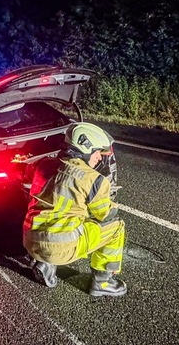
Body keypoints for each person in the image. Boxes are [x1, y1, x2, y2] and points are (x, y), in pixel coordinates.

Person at [23, 122, 127, 296]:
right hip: (60, 247)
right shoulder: (93, 179)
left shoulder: (43, 164)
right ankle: (102, 283)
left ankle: (45, 263)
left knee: (56, 216)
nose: (99, 157)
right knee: (116, 227)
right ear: (85, 148)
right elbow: (106, 214)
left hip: (30, 241)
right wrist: (110, 199)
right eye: (97, 152)